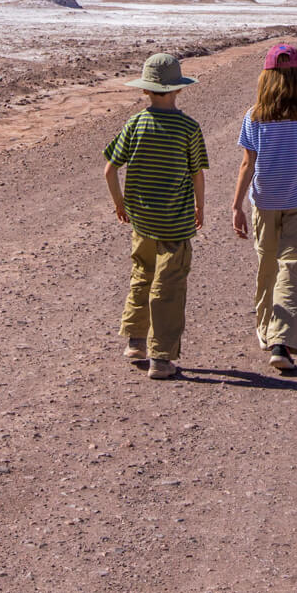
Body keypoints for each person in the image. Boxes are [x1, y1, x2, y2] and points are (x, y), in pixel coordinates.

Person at [103, 52, 207, 381]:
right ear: (178, 89)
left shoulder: (135, 123)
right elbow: (197, 174)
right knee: (169, 285)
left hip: (141, 220)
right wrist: (200, 207)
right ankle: (161, 357)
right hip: (175, 223)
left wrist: (120, 203)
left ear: (146, 90)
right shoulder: (189, 128)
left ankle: (135, 342)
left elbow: (109, 169)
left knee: (142, 274)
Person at [231, 43, 297, 373]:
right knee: (293, 266)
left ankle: (265, 331)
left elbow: (248, 164)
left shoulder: (255, 115)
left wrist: (236, 206)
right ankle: (281, 340)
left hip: (264, 201)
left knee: (268, 265)